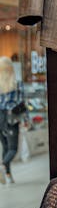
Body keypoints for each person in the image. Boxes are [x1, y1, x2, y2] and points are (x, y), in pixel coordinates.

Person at [0, 56, 24, 186]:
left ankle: (8, 176)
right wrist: (26, 119)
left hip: (0, 117)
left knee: (5, 147)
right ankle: (3, 166)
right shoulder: (17, 82)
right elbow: (21, 103)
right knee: (13, 148)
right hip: (11, 117)